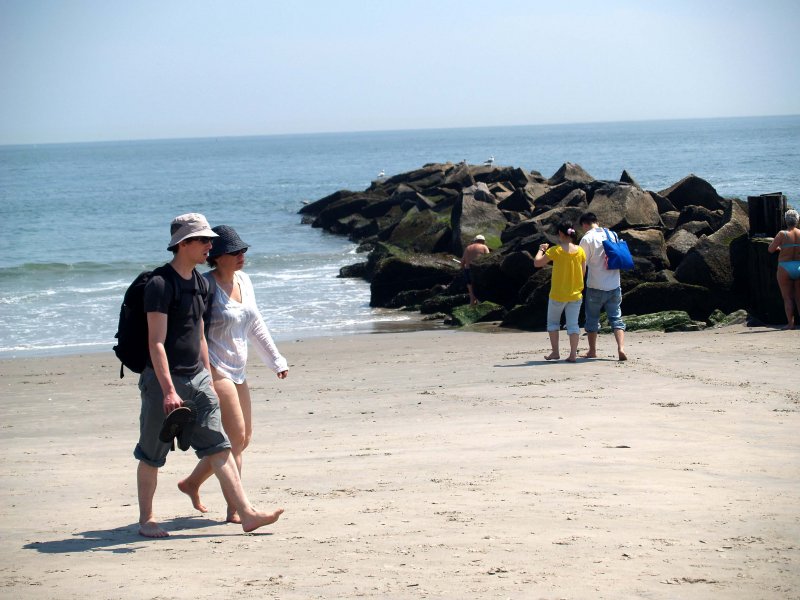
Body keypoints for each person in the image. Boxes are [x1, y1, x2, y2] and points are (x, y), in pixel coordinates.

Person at [135, 213, 283, 538]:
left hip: (200, 377)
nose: (209, 245)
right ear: (183, 244)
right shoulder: (160, 284)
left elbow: (201, 335)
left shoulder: (200, 284)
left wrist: (207, 376)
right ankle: (147, 519)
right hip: (164, 381)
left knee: (220, 446)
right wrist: (169, 390)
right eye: (203, 240)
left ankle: (246, 513)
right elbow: (156, 342)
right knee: (151, 452)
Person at [178, 225, 289, 523]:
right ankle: (237, 509)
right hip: (214, 368)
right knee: (235, 438)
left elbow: (254, 323)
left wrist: (275, 360)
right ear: (217, 256)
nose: (242, 256)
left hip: (238, 368)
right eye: (235, 252)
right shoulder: (206, 286)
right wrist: (198, 371)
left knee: (243, 439)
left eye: (244, 251)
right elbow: (192, 331)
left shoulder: (244, 280)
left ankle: (192, 483)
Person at [533, 221, 587, 362]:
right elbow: (583, 272)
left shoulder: (556, 250)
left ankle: (555, 352)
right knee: (573, 325)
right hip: (575, 294)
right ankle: (573, 354)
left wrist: (541, 249)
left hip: (558, 294)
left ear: (561, 234)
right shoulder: (580, 251)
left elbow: (537, 263)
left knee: (553, 323)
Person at [578, 212, 628, 360]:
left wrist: (579, 284)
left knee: (592, 319)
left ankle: (592, 351)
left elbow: (582, 264)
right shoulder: (612, 234)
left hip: (595, 286)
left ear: (585, 224)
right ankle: (621, 348)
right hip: (614, 285)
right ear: (597, 222)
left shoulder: (587, 238)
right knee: (616, 318)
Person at [768, 208, 800, 330]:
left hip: (785, 267)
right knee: (799, 297)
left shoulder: (782, 234)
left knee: (788, 298)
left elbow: (771, 249)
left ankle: (790, 324)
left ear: (786, 221)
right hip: (798, 266)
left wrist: (781, 249)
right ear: (797, 220)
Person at [460, 234, 491, 305]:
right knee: (480, 290)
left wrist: (462, 269)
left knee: (471, 291)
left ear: (475, 241)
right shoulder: (484, 247)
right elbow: (489, 259)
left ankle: (472, 302)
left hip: (468, 271)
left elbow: (462, 263)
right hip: (478, 271)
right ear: (483, 241)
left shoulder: (468, 248)